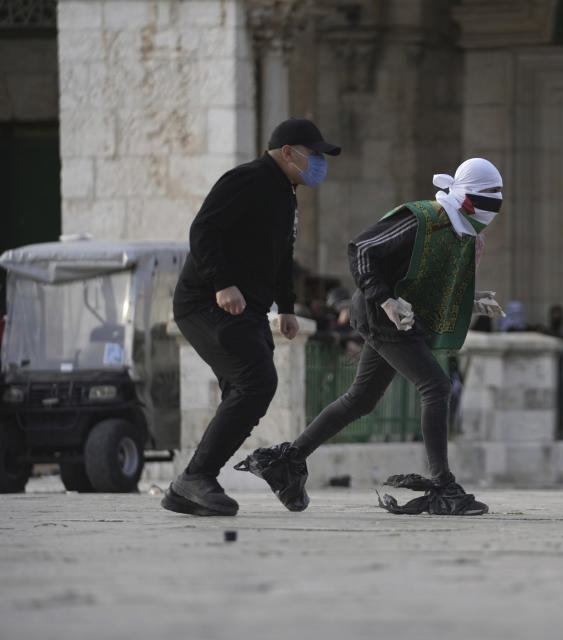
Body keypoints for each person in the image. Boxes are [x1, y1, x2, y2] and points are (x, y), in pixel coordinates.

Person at [237, 158, 506, 516]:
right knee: (436, 386)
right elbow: (362, 249)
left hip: (398, 318)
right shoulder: (421, 218)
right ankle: (443, 487)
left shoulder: (462, 233)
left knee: (360, 399)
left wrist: (472, 301)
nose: (492, 211)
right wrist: (385, 299)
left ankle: (288, 460)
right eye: (488, 200)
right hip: (379, 313)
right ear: (468, 199)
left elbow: (429, 283)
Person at [161, 118, 340, 517]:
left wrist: (288, 308)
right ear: (288, 152)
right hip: (207, 302)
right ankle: (195, 477)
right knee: (256, 381)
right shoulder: (247, 179)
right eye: (314, 155)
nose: (318, 164)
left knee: (248, 390)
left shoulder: (285, 193)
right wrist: (223, 283)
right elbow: (204, 229)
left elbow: (281, 257)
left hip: (249, 310)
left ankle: (192, 484)